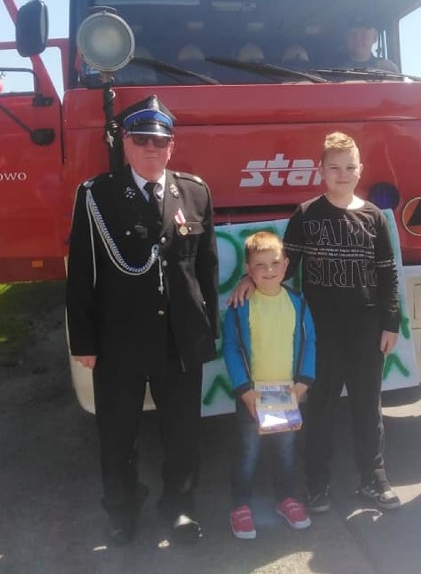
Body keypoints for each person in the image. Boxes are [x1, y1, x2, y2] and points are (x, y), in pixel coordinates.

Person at [66, 95, 219, 544]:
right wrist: (84, 342)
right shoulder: (97, 196)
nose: (152, 149)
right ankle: (122, 507)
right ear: (125, 144)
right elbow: (80, 274)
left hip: (179, 338)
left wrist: (206, 334)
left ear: (172, 145)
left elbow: (205, 270)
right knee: (117, 433)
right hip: (120, 339)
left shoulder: (195, 192)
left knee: (183, 433)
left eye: (160, 140)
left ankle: (181, 506)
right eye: (142, 140)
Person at [231, 131, 403, 513]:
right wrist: (248, 278)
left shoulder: (373, 217)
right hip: (319, 331)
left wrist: (391, 323)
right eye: (334, 168)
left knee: (366, 407)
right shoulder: (307, 214)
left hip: (367, 329)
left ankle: (374, 480)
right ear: (321, 170)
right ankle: (318, 483)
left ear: (361, 171)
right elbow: (283, 264)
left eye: (350, 168)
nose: (343, 175)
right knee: (320, 408)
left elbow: (388, 274)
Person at [222, 231, 317, 540]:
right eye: (260, 265)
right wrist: (244, 389)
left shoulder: (297, 302)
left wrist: (303, 382)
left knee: (286, 451)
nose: (269, 270)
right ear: (248, 271)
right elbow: (232, 347)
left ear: (286, 265)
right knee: (247, 452)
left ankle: (286, 498)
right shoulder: (240, 304)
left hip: (288, 395)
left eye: (275, 263)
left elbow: (310, 342)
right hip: (253, 396)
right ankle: (241, 505)